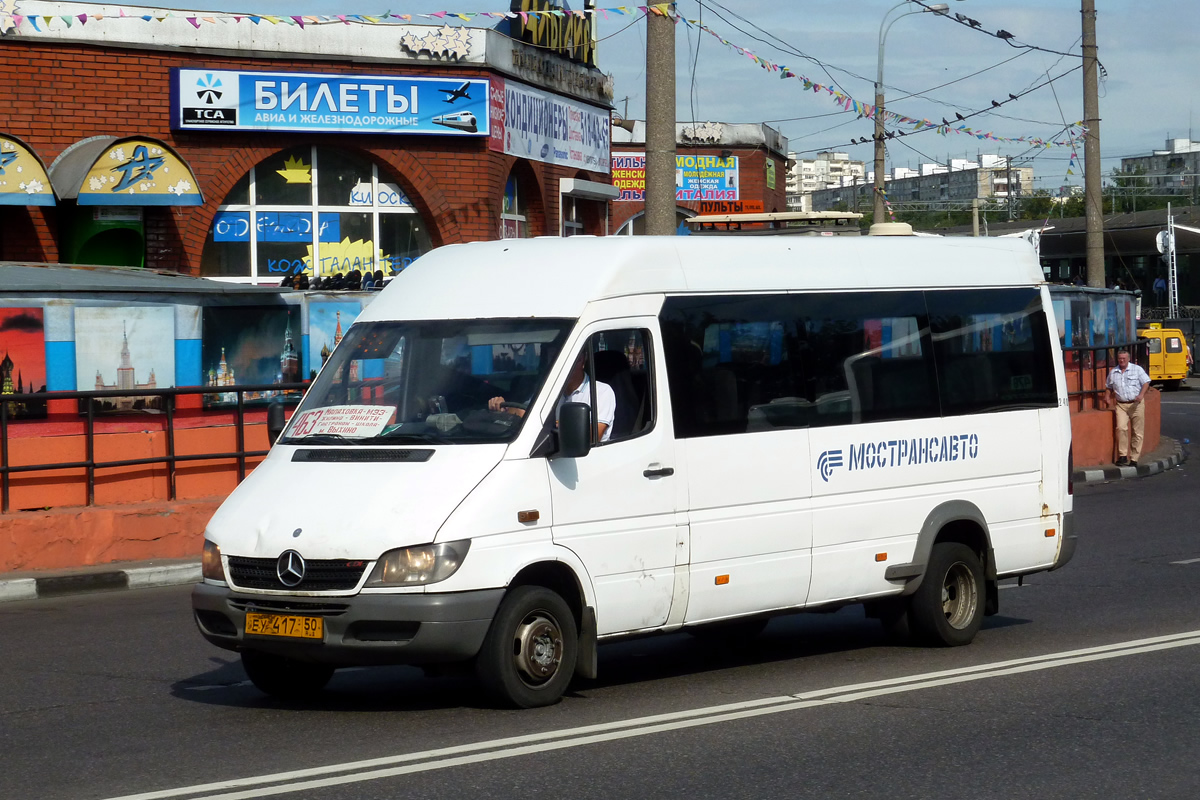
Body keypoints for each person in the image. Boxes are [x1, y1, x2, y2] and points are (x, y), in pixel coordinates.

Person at [488, 351, 615, 442]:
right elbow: (524, 412)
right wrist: (504, 408)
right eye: (552, 362)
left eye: (558, 361)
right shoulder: (550, 389)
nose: (554, 368)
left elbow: (592, 436)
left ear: (580, 359)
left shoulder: (601, 391)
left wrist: (552, 425)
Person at [1105, 348, 1151, 466]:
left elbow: (1146, 382)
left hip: (1136, 404)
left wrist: (1141, 395)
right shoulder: (1113, 372)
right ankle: (1123, 455)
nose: (1122, 361)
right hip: (1121, 404)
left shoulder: (1137, 369)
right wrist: (1107, 396)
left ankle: (1134, 457)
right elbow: (1109, 386)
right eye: (1120, 358)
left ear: (1129, 359)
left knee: (1137, 431)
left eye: (1124, 358)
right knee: (1121, 428)